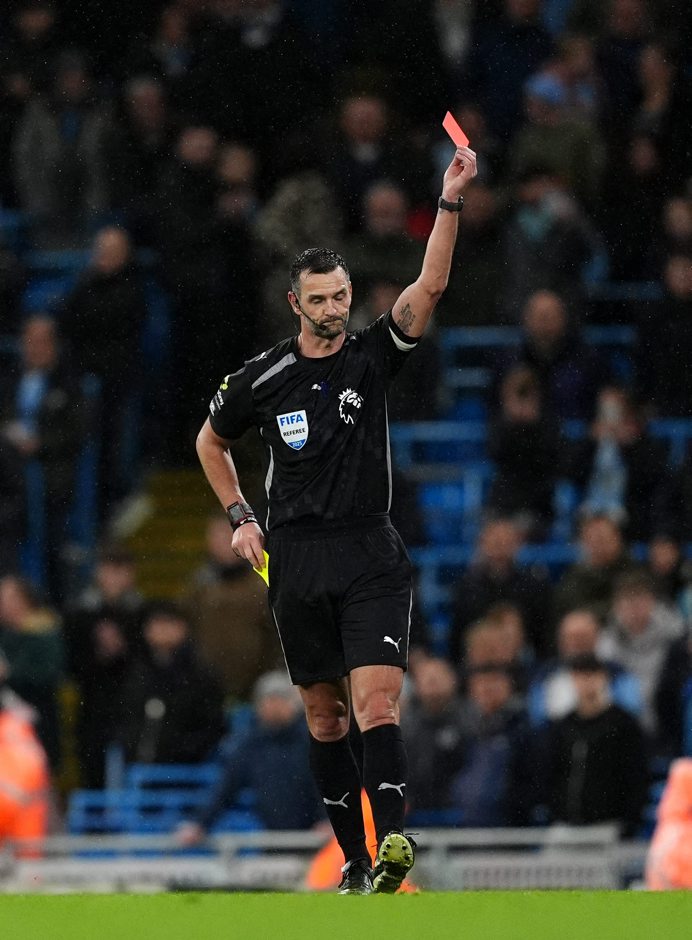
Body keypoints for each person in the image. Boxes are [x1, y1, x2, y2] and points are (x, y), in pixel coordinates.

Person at [196, 143, 478, 894]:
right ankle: (354, 862)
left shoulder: (371, 356)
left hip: (369, 552)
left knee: (377, 702)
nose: (332, 309)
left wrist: (449, 198)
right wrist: (240, 516)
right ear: (295, 304)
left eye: (341, 296)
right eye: (318, 300)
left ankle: (393, 844)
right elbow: (209, 442)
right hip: (293, 557)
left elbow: (431, 283)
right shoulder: (260, 379)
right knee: (325, 717)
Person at [175, 670, 323, 844]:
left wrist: (328, 820)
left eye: (279, 699)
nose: (273, 706)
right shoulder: (251, 745)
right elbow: (226, 787)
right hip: (273, 839)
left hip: (315, 839)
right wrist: (200, 824)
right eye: (267, 700)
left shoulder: (312, 741)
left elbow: (325, 783)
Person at [542, 653, 648, 836]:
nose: (587, 682)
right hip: (565, 825)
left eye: (592, 674)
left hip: (608, 825)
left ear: (604, 677)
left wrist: (629, 823)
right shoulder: (563, 726)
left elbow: (636, 775)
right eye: (580, 675)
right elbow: (551, 773)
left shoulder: (624, 725)